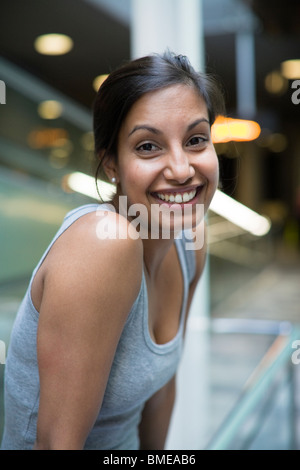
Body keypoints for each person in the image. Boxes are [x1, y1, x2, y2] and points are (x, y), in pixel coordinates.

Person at [1, 51, 225, 450]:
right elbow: (57, 444)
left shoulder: (191, 244)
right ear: (112, 165)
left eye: (195, 140)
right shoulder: (104, 242)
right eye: (147, 147)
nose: (180, 169)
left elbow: (160, 393)